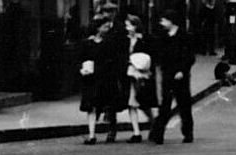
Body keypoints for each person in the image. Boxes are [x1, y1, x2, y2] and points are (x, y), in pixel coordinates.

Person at [148, 10, 196, 145]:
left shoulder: (184, 36)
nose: (161, 23)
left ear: (171, 21)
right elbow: (158, 54)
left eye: (163, 20)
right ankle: (158, 134)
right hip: (168, 75)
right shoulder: (162, 37)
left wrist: (183, 70)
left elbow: (190, 57)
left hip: (181, 76)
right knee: (165, 106)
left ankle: (188, 133)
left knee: (184, 106)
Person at [78, 16, 123, 144]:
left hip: (107, 78)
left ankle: (111, 132)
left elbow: (115, 59)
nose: (107, 29)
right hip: (92, 78)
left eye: (108, 27)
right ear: (98, 28)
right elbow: (80, 59)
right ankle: (92, 135)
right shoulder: (87, 42)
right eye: (105, 26)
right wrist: (82, 70)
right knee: (91, 106)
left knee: (110, 106)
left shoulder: (111, 41)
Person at [121, 14, 156, 143]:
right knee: (131, 104)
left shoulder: (145, 39)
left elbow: (149, 57)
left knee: (143, 103)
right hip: (130, 74)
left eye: (128, 25)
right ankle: (136, 133)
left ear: (135, 26)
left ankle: (154, 124)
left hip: (142, 75)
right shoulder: (125, 40)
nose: (126, 28)